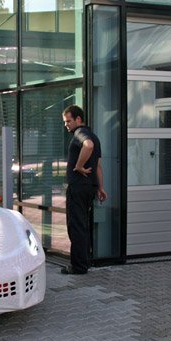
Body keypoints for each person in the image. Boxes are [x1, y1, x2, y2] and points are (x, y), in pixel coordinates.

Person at [61, 105, 107, 275]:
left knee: (76, 226)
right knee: (83, 225)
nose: (66, 125)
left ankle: (78, 266)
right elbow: (98, 167)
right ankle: (84, 262)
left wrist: (78, 165)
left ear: (78, 119)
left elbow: (88, 146)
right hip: (89, 188)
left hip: (78, 188)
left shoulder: (81, 134)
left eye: (68, 121)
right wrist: (101, 187)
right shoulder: (94, 135)